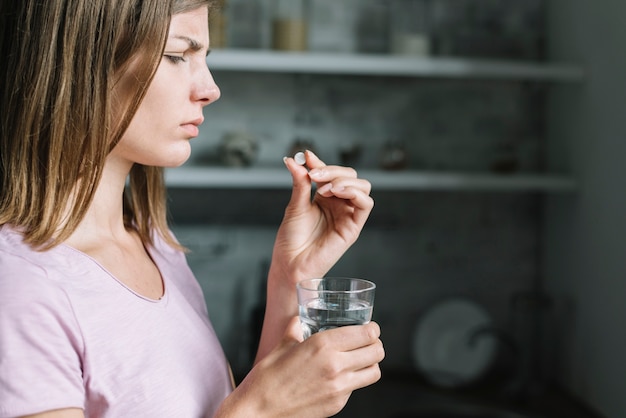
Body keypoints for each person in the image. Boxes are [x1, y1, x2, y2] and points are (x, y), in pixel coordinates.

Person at [0, 0, 384, 417]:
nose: (210, 88)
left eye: (204, 57)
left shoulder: (153, 245)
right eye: (177, 55)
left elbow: (226, 408)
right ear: (80, 64)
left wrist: (291, 276)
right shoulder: (20, 285)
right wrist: (260, 411)